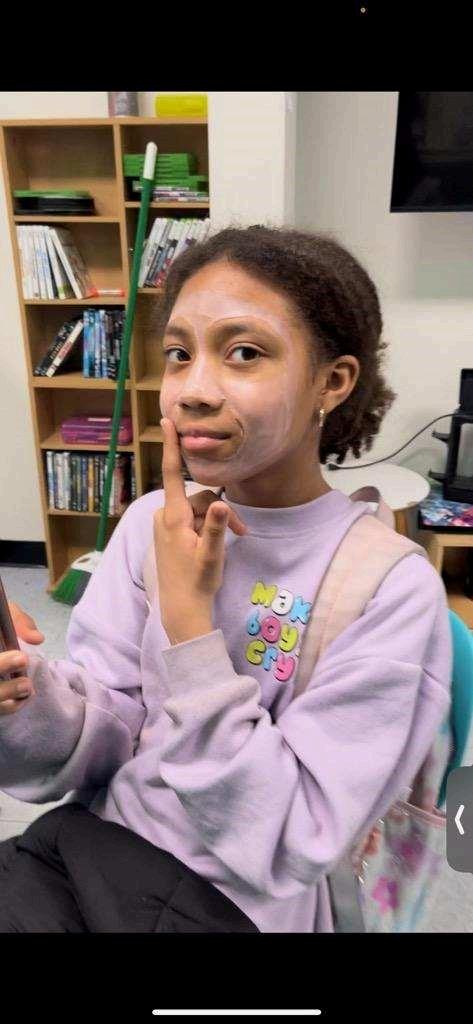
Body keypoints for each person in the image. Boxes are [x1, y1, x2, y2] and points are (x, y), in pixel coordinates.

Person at [0, 226, 452, 933]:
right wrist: (21, 696)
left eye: (244, 353)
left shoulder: (389, 587)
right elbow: (105, 738)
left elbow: (295, 835)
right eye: (179, 354)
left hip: (232, 905)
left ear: (331, 382)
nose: (192, 391)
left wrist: (189, 630)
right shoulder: (151, 523)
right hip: (90, 853)